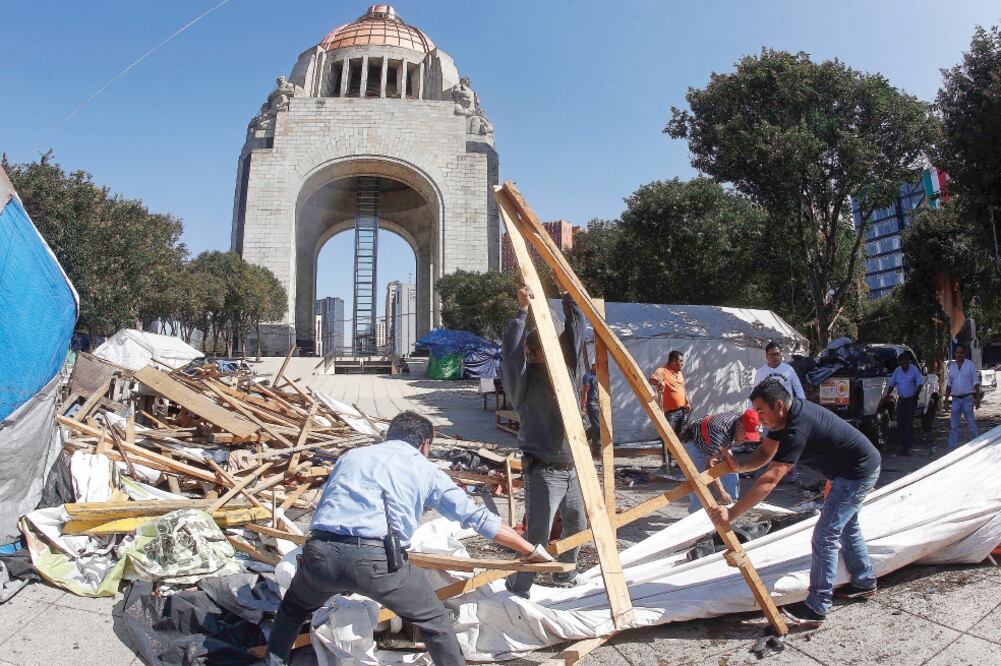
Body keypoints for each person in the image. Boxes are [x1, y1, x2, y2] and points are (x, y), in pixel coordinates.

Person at [265, 411, 548, 665]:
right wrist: (528, 550)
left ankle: (273, 662)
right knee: (434, 620)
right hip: (378, 562)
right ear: (425, 444)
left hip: (320, 553)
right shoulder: (424, 469)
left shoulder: (352, 456)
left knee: (292, 609)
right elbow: (478, 519)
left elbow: (327, 504)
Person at [709, 380, 882, 627]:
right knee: (846, 526)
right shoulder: (783, 418)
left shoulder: (797, 427)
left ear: (778, 405)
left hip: (857, 473)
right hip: (848, 471)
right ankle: (864, 582)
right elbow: (765, 454)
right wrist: (741, 465)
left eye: (761, 411)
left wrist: (731, 513)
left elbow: (770, 480)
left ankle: (817, 606)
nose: (758, 418)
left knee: (825, 535)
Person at [502, 286, 588, 598]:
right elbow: (510, 356)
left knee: (578, 526)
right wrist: (522, 312)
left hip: (573, 466)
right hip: (544, 469)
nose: (554, 355)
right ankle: (519, 585)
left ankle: (565, 575)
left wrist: (568, 299)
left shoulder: (568, 373)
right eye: (544, 350)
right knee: (537, 532)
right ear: (533, 353)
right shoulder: (524, 383)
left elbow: (576, 338)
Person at [682, 409, 761, 513]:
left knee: (732, 470)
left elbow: (726, 446)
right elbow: (710, 468)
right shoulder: (719, 432)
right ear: (739, 425)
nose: (747, 440)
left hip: (717, 442)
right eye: (746, 436)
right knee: (699, 481)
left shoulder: (736, 425)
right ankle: (696, 515)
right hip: (695, 442)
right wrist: (721, 492)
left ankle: (730, 510)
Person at [649, 351, 691, 460]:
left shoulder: (679, 372)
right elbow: (652, 379)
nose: (682, 364)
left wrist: (687, 402)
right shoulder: (662, 370)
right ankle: (666, 460)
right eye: (680, 361)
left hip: (683, 410)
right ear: (673, 361)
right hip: (671, 412)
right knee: (668, 436)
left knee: (681, 436)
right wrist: (659, 382)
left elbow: (682, 388)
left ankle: (679, 461)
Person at [880, 352, 923, 455]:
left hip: (911, 399)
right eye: (901, 363)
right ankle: (903, 445)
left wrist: (916, 395)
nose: (903, 366)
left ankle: (907, 448)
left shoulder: (913, 370)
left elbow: (920, 383)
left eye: (905, 363)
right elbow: (892, 384)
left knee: (908, 422)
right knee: (900, 423)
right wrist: (886, 396)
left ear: (908, 362)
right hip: (901, 400)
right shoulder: (897, 371)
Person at [943, 344, 980, 452]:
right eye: (957, 353)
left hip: (967, 399)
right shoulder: (952, 367)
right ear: (955, 354)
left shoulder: (970, 365)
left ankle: (978, 446)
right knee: (953, 426)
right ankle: (952, 449)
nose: (959, 355)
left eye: (961, 353)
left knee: (971, 424)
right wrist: (945, 401)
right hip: (955, 400)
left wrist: (977, 399)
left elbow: (976, 383)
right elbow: (949, 385)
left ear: (964, 354)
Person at [581, 362, 601, 452]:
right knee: (597, 426)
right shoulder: (587, 376)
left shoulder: (597, 376)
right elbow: (584, 393)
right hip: (591, 404)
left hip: (597, 404)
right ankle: (584, 440)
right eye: (597, 366)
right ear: (593, 365)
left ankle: (594, 445)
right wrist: (583, 407)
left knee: (598, 426)